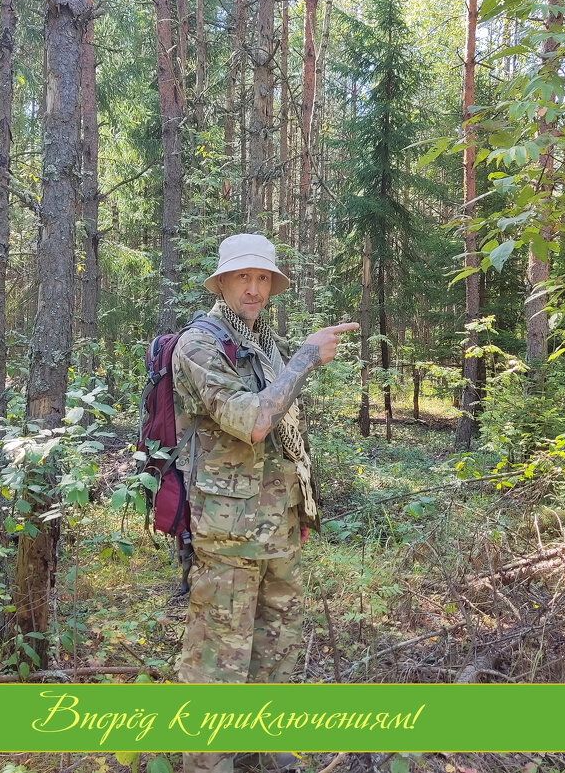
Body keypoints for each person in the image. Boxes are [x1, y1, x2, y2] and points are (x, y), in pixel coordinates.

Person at [171, 233, 358, 773]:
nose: (253, 289)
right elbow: (254, 421)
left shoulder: (259, 340)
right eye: (243, 278)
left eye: (262, 279)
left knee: (276, 642)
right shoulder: (201, 344)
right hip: (229, 533)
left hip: (277, 522)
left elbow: (287, 432)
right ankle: (209, 763)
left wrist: (302, 509)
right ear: (223, 282)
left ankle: (262, 747)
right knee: (218, 656)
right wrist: (304, 357)